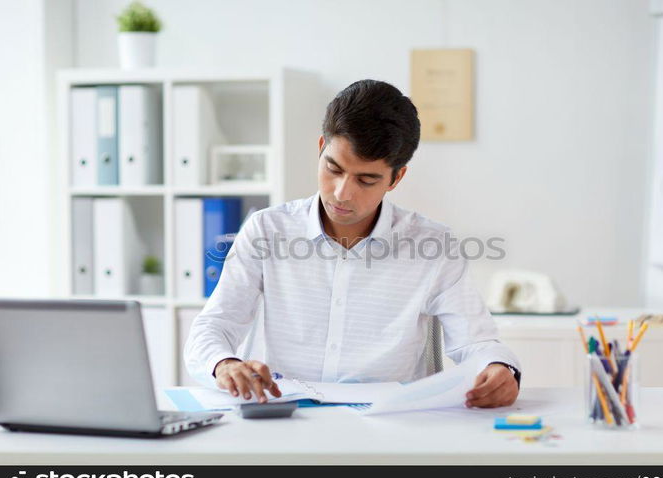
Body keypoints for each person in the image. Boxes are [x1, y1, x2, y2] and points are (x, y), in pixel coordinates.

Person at [184, 79, 521, 408]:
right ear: (320, 148)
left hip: (393, 429)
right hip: (288, 419)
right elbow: (214, 326)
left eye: (366, 179)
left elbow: (477, 343)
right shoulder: (266, 230)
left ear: (396, 178)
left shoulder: (435, 245)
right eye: (334, 168)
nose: (343, 193)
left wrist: (498, 368)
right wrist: (224, 364)